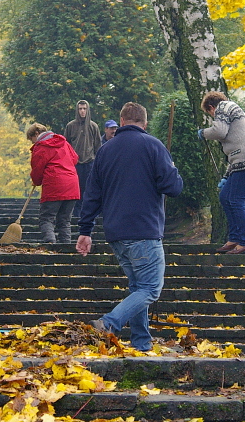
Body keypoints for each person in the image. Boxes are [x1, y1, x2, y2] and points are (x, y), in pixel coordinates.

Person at [77, 102, 183, 352]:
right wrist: (171, 168)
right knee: (150, 288)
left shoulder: (105, 150)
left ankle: (141, 342)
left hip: (116, 233)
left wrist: (85, 230)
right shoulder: (154, 145)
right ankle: (109, 323)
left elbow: (92, 194)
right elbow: (174, 188)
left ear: (121, 122)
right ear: (144, 124)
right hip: (144, 230)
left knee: (137, 287)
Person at [198, 92, 245, 255]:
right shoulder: (231, 110)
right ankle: (235, 238)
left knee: (235, 200)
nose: (213, 116)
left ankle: (244, 242)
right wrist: (226, 177)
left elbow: (219, 131)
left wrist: (203, 133)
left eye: (210, 114)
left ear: (211, 107)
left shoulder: (223, 107)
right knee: (225, 197)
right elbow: (235, 153)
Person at [27, 123, 81, 244]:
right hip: (72, 185)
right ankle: (66, 247)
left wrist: (36, 181)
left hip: (54, 185)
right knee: (65, 220)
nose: (33, 143)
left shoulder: (41, 147)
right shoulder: (64, 142)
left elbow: (37, 169)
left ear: (36, 134)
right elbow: (75, 159)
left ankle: (50, 245)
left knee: (46, 218)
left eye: (32, 140)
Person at [64, 100, 101, 216]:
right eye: (80, 109)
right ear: (77, 110)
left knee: (88, 190)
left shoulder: (93, 126)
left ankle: (87, 214)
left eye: (84, 109)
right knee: (75, 190)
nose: (82, 111)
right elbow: (65, 145)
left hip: (90, 162)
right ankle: (76, 214)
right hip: (74, 164)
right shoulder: (70, 126)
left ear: (88, 110)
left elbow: (98, 146)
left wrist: (97, 163)